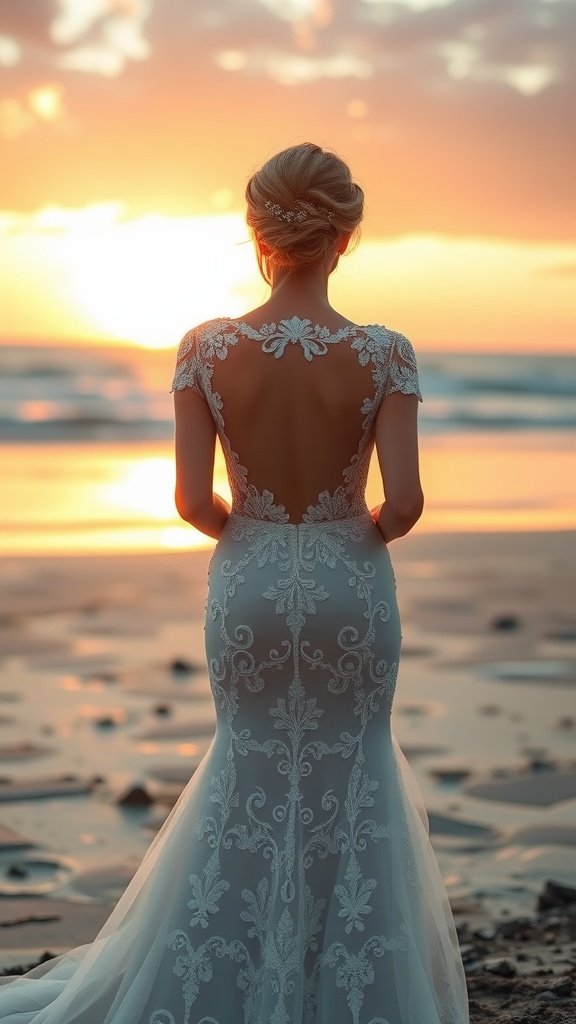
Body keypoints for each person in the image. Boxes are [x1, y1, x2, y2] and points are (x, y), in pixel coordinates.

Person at [0, 142, 469, 1023]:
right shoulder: (385, 352)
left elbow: (187, 500)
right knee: (354, 766)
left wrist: (255, 538)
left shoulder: (205, 348)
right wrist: (342, 540)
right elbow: (402, 504)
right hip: (349, 584)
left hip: (247, 580)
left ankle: (223, 972)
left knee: (248, 767)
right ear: (346, 235)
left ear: (260, 233)